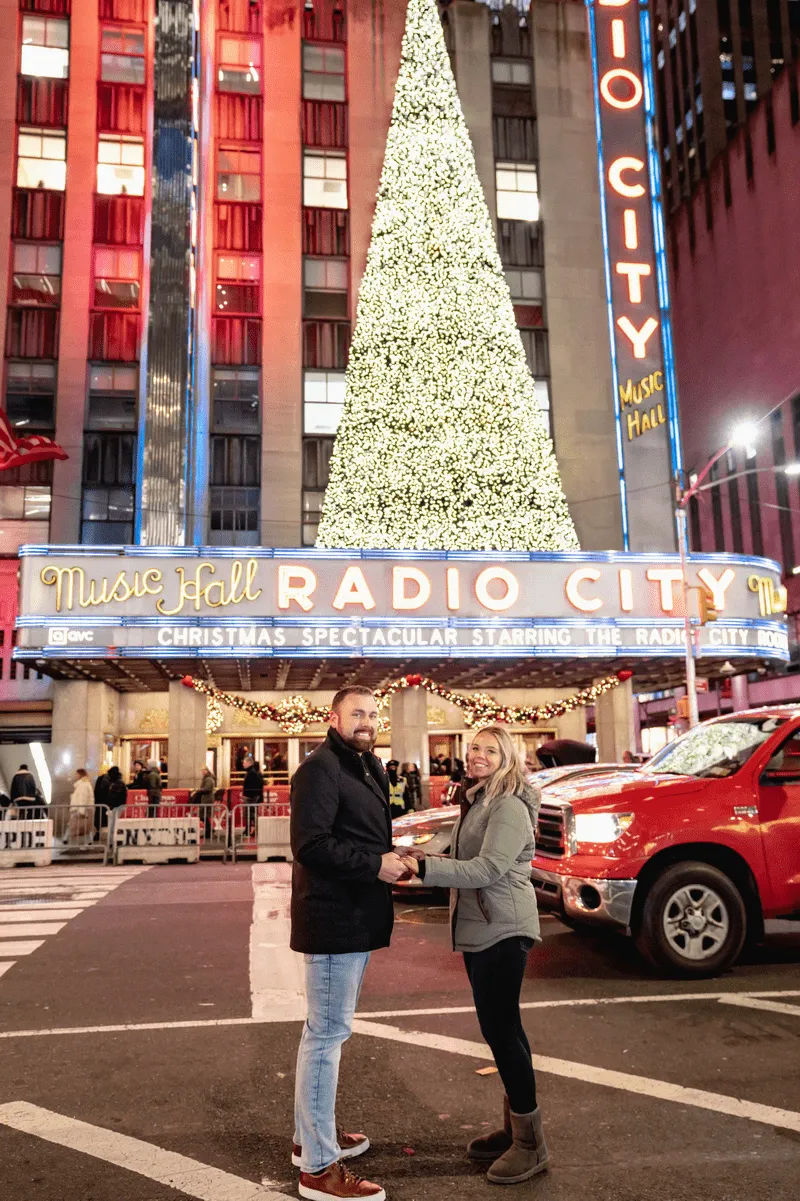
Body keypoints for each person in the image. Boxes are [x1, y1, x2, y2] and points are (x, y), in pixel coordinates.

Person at [402, 724, 548, 1185]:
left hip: (503, 929)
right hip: (484, 927)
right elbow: (461, 849)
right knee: (502, 1030)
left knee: (503, 1031)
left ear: (506, 756)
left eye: (488, 750)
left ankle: (531, 1145)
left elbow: (486, 868)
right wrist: (416, 853)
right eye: (473, 749)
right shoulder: (480, 798)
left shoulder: (505, 804)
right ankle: (514, 1131)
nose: (477, 756)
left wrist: (423, 868)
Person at [290, 685, 407, 1201]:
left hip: (356, 914)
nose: (367, 721)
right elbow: (310, 844)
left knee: (326, 1032)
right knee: (327, 1035)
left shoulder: (367, 765)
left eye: (372, 713)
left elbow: (359, 834)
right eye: (357, 713)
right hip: (334, 917)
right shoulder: (320, 768)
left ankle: (309, 1136)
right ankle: (318, 1168)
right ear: (333, 717)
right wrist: (375, 864)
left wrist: (391, 851)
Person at [68, 768, 95, 844]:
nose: (75, 776)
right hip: (84, 809)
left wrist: (81, 811)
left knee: (80, 827)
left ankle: (83, 843)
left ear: (80, 775)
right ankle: (87, 842)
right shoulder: (84, 784)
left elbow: (82, 798)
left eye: (77, 774)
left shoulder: (83, 785)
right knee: (84, 827)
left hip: (82, 809)